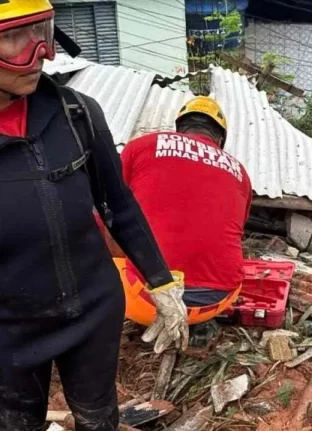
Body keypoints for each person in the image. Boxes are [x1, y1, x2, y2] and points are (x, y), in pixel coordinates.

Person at [0, 1, 188, 430]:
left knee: (99, 420)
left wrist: (161, 282)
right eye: (14, 38)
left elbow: (118, 204)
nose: (40, 54)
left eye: (42, 33)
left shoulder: (76, 112)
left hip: (93, 313)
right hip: (8, 329)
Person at [118, 96, 252, 334]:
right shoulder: (240, 171)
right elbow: (238, 228)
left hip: (144, 300)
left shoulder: (142, 145)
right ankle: (198, 323)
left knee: (105, 228)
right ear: (219, 139)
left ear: (179, 129)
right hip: (217, 300)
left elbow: (106, 205)